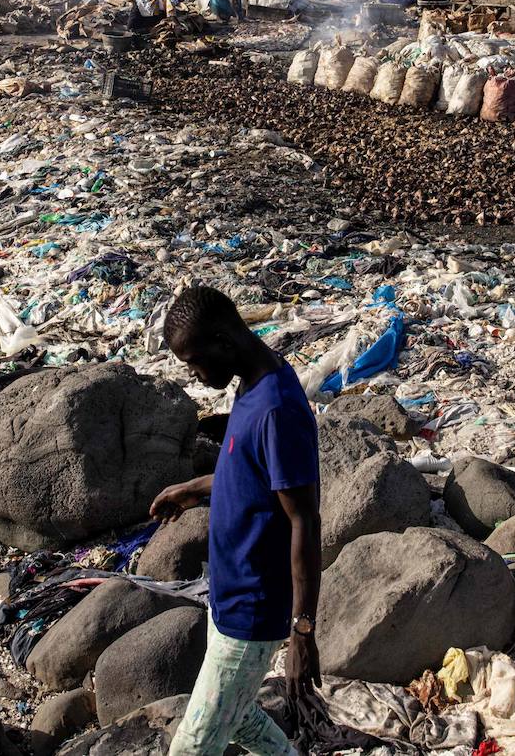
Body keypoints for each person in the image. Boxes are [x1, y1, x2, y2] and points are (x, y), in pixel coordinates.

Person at [152, 286, 321, 756]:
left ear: (225, 342)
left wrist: (302, 632)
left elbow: (305, 521)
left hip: (254, 607)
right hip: (226, 595)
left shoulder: (277, 409)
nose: (194, 373)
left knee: (190, 749)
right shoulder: (248, 385)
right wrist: (192, 490)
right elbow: (250, 471)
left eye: (194, 361)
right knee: (241, 717)